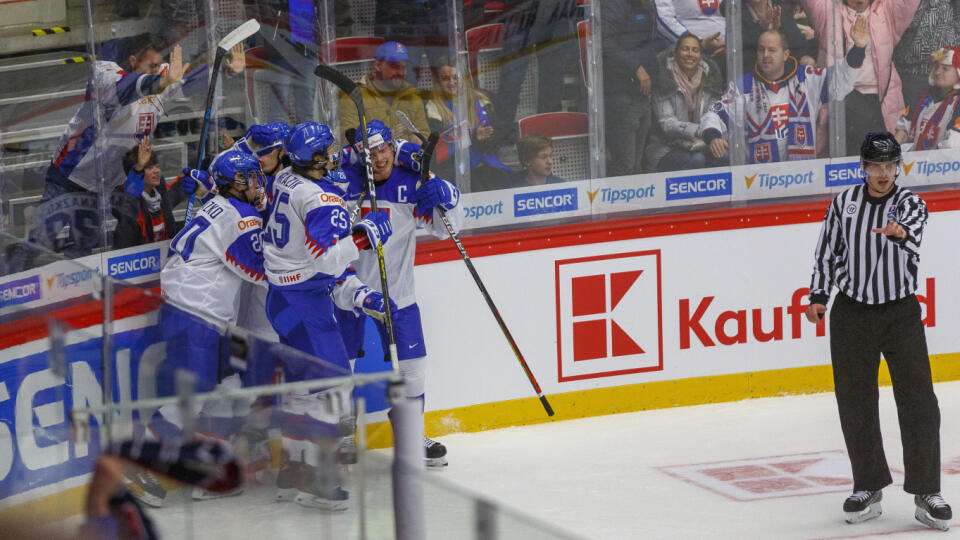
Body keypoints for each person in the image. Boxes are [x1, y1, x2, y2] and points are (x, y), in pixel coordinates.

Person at [804, 132, 951, 531]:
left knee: (919, 400)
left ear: (897, 166)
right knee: (855, 401)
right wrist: (819, 295)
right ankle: (868, 485)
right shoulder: (844, 203)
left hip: (900, 313)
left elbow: (913, 233)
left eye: (889, 166)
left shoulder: (910, 204)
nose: (883, 174)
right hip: (851, 314)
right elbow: (827, 253)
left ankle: (927, 491)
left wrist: (898, 233)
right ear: (864, 167)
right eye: (875, 166)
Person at [10, 37, 245, 269]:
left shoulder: (160, 77)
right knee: (39, 239)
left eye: (158, 66)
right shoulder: (104, 74)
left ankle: (75, 292)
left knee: (84, 245)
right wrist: (161, 80)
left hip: (108, 180)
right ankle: (8, 287)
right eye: (151, 66)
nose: (158, 70)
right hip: (70, 175)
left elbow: (188, 79)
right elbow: (126, 88)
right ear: (133, 60)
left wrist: (226, 69)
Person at [262, 121, 394, 508]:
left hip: (279, 300)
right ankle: (317, 479)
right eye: (326, 152)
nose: (332, 157)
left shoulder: (284, 178)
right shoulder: (323, 201)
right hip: (308, 302)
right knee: (333, 387)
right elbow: (327, 260)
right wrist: (363, 236)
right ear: (315, 158)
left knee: (300, 389)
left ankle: (291, 470)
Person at [341, 121, 465, 467]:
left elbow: (446, 230)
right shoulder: (343, 181)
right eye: (371, 153)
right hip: (344, 291)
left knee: (413, 370)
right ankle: (344, 432)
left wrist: (445, 194)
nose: (379, 159)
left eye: (383, 150)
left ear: (392, 148)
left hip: (397, 294)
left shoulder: (411, 183)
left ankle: (410, 432)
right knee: (341, 367)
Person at [701, 26, 867, 164]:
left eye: (772, 50)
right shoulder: (743, 86)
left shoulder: (806, 78)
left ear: (786, 54)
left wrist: (858, 49)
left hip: (803, 175)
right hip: (758, 179)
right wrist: (713, 136)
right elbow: (715, 114)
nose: (766, 55)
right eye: (761, 50)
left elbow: (841, 81)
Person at [800, 0, 920, 153]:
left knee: (880, 165)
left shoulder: (886, 9)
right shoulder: (827, 10)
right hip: (841, 100)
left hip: (881, 100)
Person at [424, 55, 514, 191]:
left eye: (456, 77)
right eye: (445, 78)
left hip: (488, 166)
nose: (451, 82)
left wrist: (480, 140)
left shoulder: (483, 101)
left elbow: (499, 138)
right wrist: (469, 138)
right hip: (453, 173)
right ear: (438, 82)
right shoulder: (432, 108)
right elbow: (436, 152)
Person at [646, 34, 727, 172]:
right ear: (676, 53)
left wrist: (713, 137)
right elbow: (667, 124)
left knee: (726, 156)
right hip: (667, 148)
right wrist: (702, 131)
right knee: (697, 160)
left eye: (695, 50)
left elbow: (715, 116)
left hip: (702, 145)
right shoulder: (663, 78)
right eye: (685, 49)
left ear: (701, 55)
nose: (690, 54)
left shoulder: (710, 79)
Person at [601, 0, 663, 176]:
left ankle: (636, 204)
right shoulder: (613, 5)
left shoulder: (647, 6)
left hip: (643, 94)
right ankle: (618, 203)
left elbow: (650, 43)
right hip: (621, 94)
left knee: (637, 165)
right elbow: (604, 44)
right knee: (625, 165)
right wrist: (636, 67)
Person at [336, 41, 430, 144]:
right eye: (394, 66)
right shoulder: (354, 96)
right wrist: (385, 137)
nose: (401, 72)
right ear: (378, 66)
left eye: (404, 67)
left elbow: (425, 135)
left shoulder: (413, 95)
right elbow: (349, 142)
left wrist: (419, 141)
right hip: (372, 159)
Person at [113, 137, 193, 249]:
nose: (156, 171)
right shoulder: (127, 204)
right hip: (137, 262)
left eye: (157, 166)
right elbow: (130, 201)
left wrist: (217, 157)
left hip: (165, 262)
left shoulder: (162, 195)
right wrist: (139, 168)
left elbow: (186, 181)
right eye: (149, 167)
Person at [893, 0, 960, 111]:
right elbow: (902, 19)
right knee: (913, 119)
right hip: (914, 70)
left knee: (943, 119)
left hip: (949, 70)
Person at [894, 46, 960, 150]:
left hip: (941, 164)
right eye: (936, 67)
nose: (938, 72)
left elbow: (952, 145)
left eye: (945, 68)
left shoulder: (957, 105)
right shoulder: (920, 97)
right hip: (913, 162)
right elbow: (903, 132)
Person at [741, 0, 815, 73]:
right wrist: (762, 27)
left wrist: (778, 29)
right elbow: (741, 55)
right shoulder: (735, 12)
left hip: (785, 71)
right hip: (753, 74)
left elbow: (800, 45)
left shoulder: (780, 4)